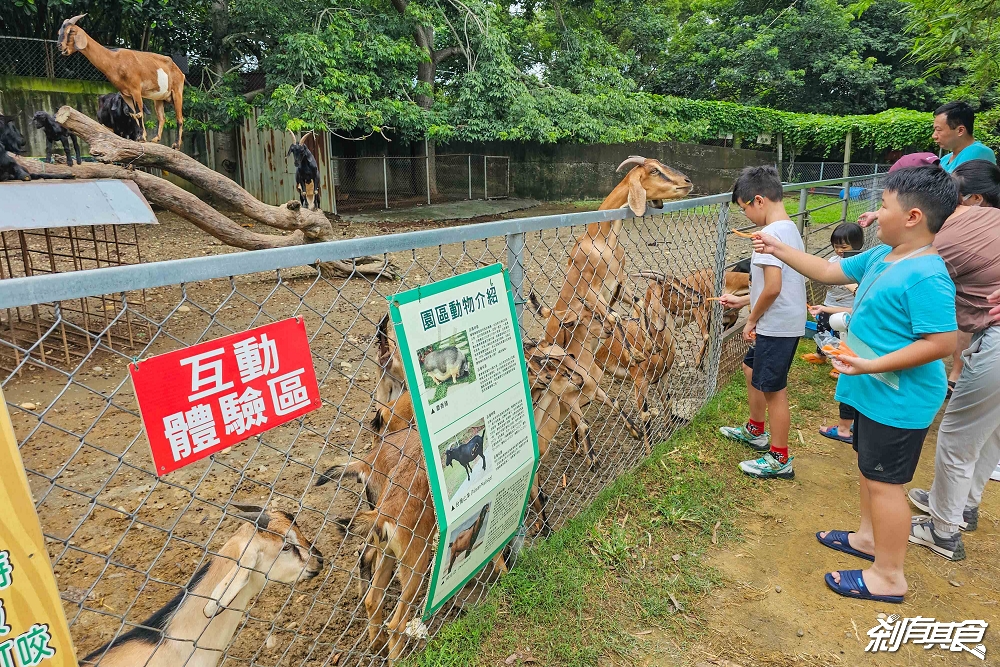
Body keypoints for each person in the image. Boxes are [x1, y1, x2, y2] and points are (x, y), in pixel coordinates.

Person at [752, 166, 958, 603]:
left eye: (883, 206)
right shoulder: (885, 255)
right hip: (875, 388)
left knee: (886, 483)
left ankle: (889, 575)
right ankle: (867, 538)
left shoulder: (927, 274)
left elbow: (942, 342)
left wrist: (872, 364)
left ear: (913, 216)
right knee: (869, 468)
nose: (874, 215)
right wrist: (776, 247)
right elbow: (828, 273)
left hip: (898, 396)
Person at [903, 168, 1000, 562]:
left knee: (958, 437)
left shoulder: (954, 230)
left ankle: (943, 528)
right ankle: (964, 506)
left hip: (996, 339)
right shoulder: (990, 218)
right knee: (991, 431)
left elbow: (909, 270)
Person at [717, 165, 807, 481]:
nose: (746, 217)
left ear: (758, 200)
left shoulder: (768, 235)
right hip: (784, 318)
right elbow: (775, 286)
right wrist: (742, 301)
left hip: (775, 324)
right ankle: (755, 430)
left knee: (774, 391)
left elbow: (772, 287)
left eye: (744, 210)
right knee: (751, 368)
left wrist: (750, 319)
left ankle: (779, 458)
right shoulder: (789, 228)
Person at [942, 160, 1000, 397]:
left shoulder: (961, 235)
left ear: (976, 199)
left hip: (992, 332)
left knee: (957, 430)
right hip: (983, 326)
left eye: (956, 194)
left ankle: (957, 374)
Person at [933, 101, 997, 173]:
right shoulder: (944, 160)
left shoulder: (980, 152)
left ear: (960, 130)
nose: (934, 136)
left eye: (938, 129)